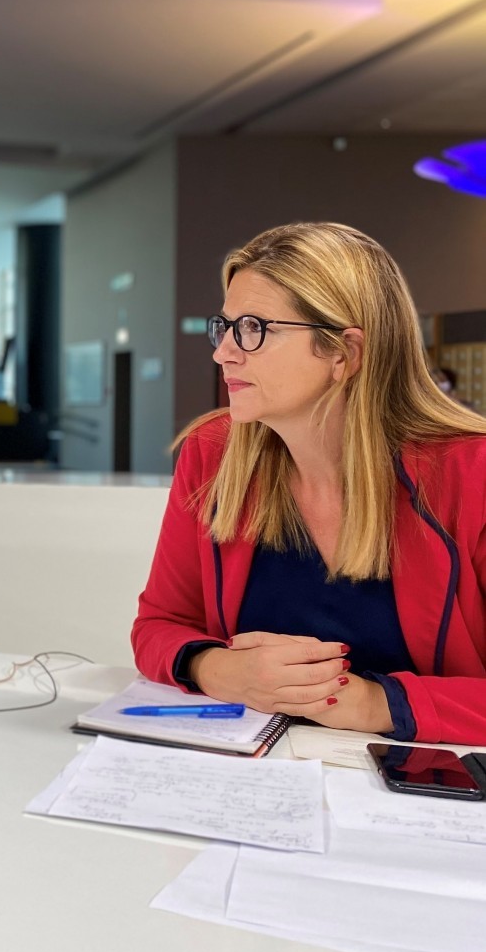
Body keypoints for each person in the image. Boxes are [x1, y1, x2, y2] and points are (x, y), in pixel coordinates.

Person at [132, 222, 486, 745]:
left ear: (345, 352)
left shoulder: (471, 472)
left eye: (253, 328)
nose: (223, 352)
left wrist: (376, 703)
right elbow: (159, 624)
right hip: (250, 772)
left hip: (414, 785)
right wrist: (217, 668)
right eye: (224, 327)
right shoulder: (213, 455)